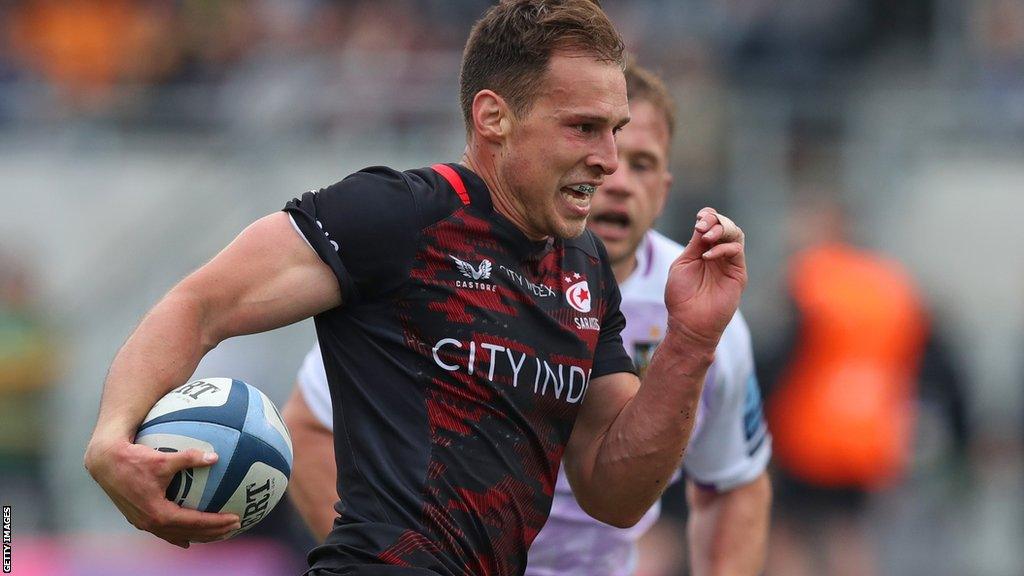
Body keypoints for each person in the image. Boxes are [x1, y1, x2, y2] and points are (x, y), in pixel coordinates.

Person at [83, 2, 747, 575]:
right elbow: (200, 306)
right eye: (583, 128)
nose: (606, 159)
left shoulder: (584, 269)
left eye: (616, 131)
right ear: (494, 117)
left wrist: (691, 341)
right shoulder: (398, 214)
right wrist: (113, 434)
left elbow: (614, 491)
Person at [283, 63, 772, 576]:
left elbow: (734, 482)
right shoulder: (449, 267)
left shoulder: (708, 319)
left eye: (642, 163)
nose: (617, 178)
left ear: (666, 190)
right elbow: (308, 423)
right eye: (593, 144)